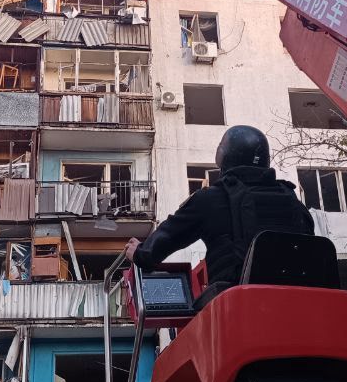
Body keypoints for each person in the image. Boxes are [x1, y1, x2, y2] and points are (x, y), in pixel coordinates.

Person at [125, 126, 314, 301]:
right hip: (301, 304)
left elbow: (168, 236)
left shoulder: (212, 199)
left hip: (237, 307)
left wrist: (140, 253)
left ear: (224, 156)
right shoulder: (295, 204)